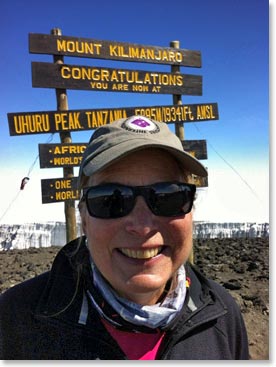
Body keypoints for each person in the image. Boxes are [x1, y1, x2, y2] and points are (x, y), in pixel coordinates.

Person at [0, 116, 249, 360]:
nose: (142, 226)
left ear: (191, 209)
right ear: (84, 218)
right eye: (111, 200)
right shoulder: (14, 321)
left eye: (168, 197)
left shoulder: (222, 315)